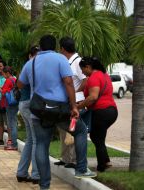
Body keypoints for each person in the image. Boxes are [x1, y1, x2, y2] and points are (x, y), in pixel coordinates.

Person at [17, 35, 96, 190]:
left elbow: (20, 84)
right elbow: (68, 82)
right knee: (80, 131)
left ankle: (44, 186)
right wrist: (74, 106)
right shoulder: (61, 59)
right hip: (60, 110)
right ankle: (81, 168)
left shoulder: (31, 63)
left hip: (38, 112)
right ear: (55, 47)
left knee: (41, 144)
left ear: (40, 47)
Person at [77, 57, 118, 172]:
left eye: (82, 69)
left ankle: (102, 166)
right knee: (98, 137)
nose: (82, 72)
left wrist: (78, 106)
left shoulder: (94, 77)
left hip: (101, 111)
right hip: (112, 110)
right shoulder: (104, 75)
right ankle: (106, 161)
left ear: (88, 67)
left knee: (97, 138)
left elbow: (93, 97)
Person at [54, 36, 87, 168]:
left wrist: (74, 92)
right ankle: (65, 158)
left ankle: (73, 159)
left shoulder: (78, 62)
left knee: (73, 130)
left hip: (77, 102)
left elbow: (85, 80)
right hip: (66, 102)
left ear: (62, 48)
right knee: (64, 131)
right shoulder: (66, 61)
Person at [16, 46, 40, 184]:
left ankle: (22, 172)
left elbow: (19, 84)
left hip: (24, 104)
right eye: (36, 54)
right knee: (36, 140)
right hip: (29, 104)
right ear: (30, 55)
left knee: (30, 139)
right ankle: (36, 174)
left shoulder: (27, 67)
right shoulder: (31, 66)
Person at [0, 66, 18, 150]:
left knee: (11, 124)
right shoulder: (14, 79)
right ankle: (13, 143)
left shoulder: (8, 80)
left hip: (9, 103)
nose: (3, 75)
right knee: (14, 122)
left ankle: (14, 144)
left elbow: (4, 93)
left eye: (3, 73)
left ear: (7, 73)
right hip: (15, 103)